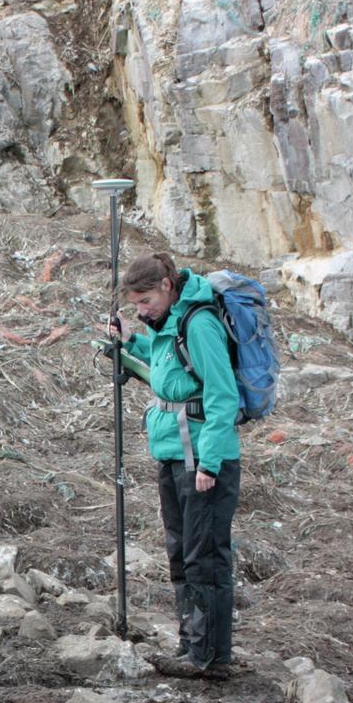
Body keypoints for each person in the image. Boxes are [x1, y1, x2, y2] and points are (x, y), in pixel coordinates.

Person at [108, 253, 242, 680]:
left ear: (167, 285)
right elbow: (170, 365)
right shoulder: (173, 321)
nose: (142, 311)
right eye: (135, 306)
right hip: (173, 453)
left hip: (201, 458)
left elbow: (223, 395)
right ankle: (193, 646)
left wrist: (210, 462)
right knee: (182, 552)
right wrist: (131, 341)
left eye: (145, 301)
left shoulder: (198, 323)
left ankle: (207, 657)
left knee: (204, 557)